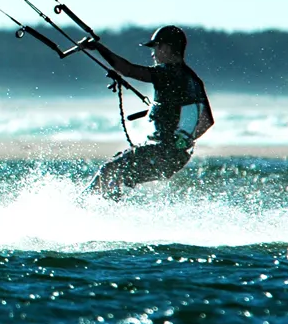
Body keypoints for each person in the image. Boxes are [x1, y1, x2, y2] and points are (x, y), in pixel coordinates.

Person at [83, 25, 213, 199]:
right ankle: (107, 211)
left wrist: (99, 48)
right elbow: (207, 121)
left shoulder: (167, 73)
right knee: (118, 173)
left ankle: (80, 206)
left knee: (109, 170)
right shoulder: (193, 79)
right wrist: (181, 142)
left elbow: (128, 70)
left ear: (166, 48)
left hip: (161, 152)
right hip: (176, 158)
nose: (152, 54)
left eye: (155, 47)